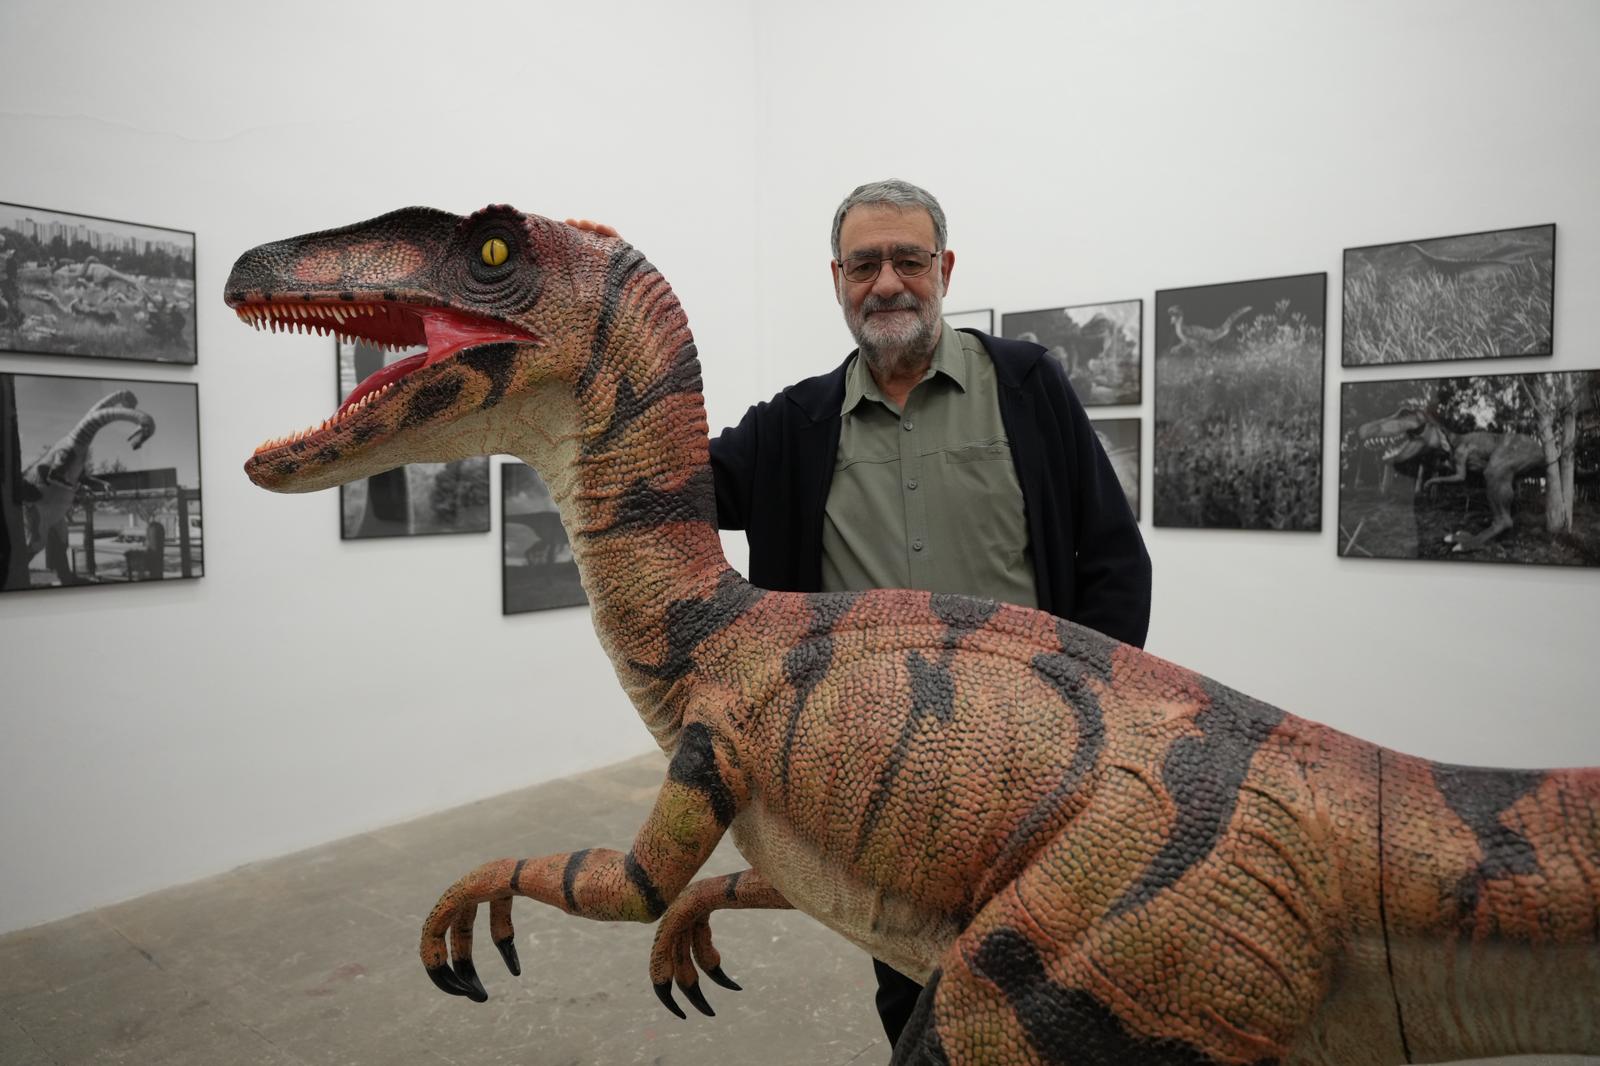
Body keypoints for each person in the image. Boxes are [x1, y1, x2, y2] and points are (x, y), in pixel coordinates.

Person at [705, 179, 1151, 1050]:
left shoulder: (1024, 383)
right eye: (864, 265)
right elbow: (671, 480)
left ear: (944, 270)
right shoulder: (794, 426)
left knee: (1060, 991)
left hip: (1031, 768)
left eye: (908, 261)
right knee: (917, 1000)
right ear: (837, 279)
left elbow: (1112, 563)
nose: (887, 284)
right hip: (881, 787)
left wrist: (1091, 723)